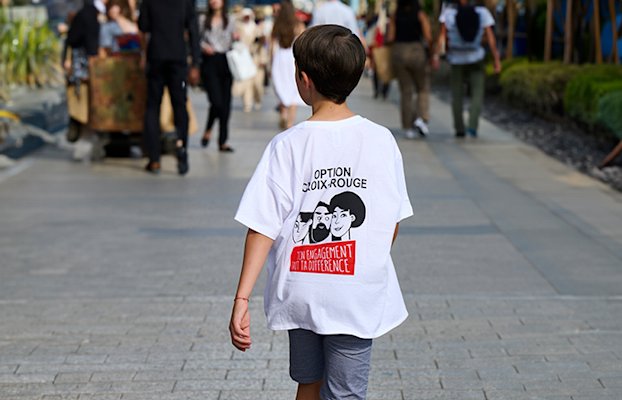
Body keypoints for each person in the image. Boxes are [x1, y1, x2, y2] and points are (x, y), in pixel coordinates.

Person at [229, 25, 413, 400]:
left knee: (308, 383)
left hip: (302, 290)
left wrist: (241, 298)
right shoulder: (381, 140)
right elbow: (390, 221)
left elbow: (262, 225)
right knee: (346, 392)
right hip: (355, 295)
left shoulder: (287, 144)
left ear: (304, 80)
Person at [138, 0, 200, 175]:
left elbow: (143, 26)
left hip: (156, 57)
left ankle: (154, 158)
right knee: (180, 105)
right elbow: (193, 30)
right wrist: (195, 62)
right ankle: (182, 150)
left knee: (152, 107)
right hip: (177, 58)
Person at [433, 0, 501, 138]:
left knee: (456, 95)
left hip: (456, 58)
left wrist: (436, 56)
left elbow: (442, 37)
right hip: (476, 57)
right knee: (477, 93)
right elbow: (490, 37)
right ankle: (472, 126)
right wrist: (496, 59)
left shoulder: (448, 14)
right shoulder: (482, 13)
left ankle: (459, 128)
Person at [387, 0, 433, 139]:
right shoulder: (420, 15)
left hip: (399, 52)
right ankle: (421, 118)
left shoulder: (395, 15)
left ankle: (408, 127)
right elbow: (428, 36)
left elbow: (390, 37)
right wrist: (431, 52)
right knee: (422, 88)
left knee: (406, 91)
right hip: (416, 51)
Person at [199, 0, 236, 152]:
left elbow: (233, 41)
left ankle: (223, 140)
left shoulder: (230, 20)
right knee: (216, 102)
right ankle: (208, 129)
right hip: (209, 62)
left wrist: (236, 38)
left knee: (226, 104)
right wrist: (203, 47)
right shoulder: (202, 20)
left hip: (226, 61)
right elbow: (196, 39)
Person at [270, 0, 306, 130]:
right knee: (293, 91)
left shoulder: (277, 25)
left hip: (279, 59)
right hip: (292, 58)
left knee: (282, 88)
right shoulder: (298, 25)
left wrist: (271, 63)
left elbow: (272, 46)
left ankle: (283, 113)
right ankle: (290, 123)